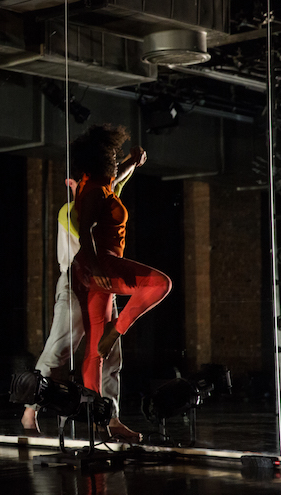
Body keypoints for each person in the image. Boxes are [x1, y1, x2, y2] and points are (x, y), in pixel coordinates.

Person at [21, 149, 146, 442]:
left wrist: (130, 163)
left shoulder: (103, 197)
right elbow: (88, 235)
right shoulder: (70, 211)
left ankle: (110, 417)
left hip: (104, 285)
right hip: (75, 284)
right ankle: (29, 410)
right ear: (71, 184)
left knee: (110, 354)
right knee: (59, 348)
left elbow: (114, 182)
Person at [70, 124, 172, 401]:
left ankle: (95, 412)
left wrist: (132, 161)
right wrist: (98, 268)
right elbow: (85, 231)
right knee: (159, 284)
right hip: (103, 265)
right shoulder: (95, 191)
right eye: (112, 156)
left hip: (93, 270)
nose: (116, 160)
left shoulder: (99, 184)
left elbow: (117, 177)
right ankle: (116, 331)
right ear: (99, 159)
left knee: (95, 349)